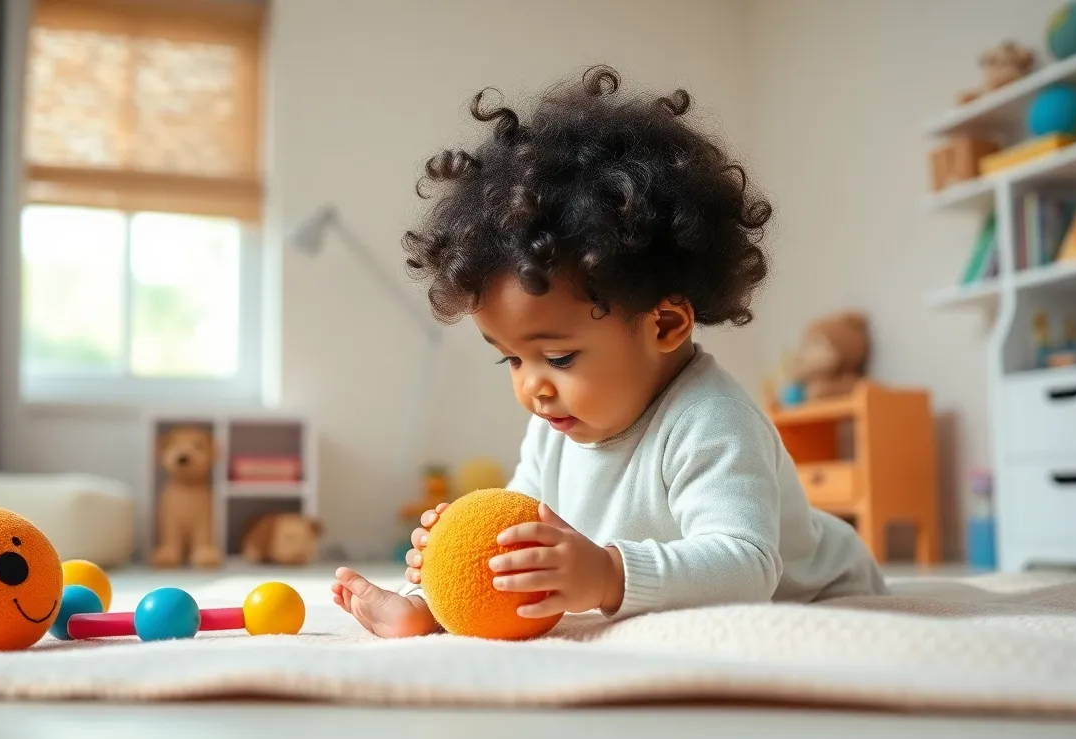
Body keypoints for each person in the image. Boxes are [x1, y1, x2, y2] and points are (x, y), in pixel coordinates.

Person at [331, 65, 886, 639]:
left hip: (825, 594)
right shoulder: (557, 423)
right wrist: (436, 590)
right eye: (512, 360)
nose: (533, 387)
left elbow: (747, 567)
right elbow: (521, 535)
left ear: (665, 323)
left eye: (560, 358)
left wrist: (608, 575)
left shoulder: (713, 422)